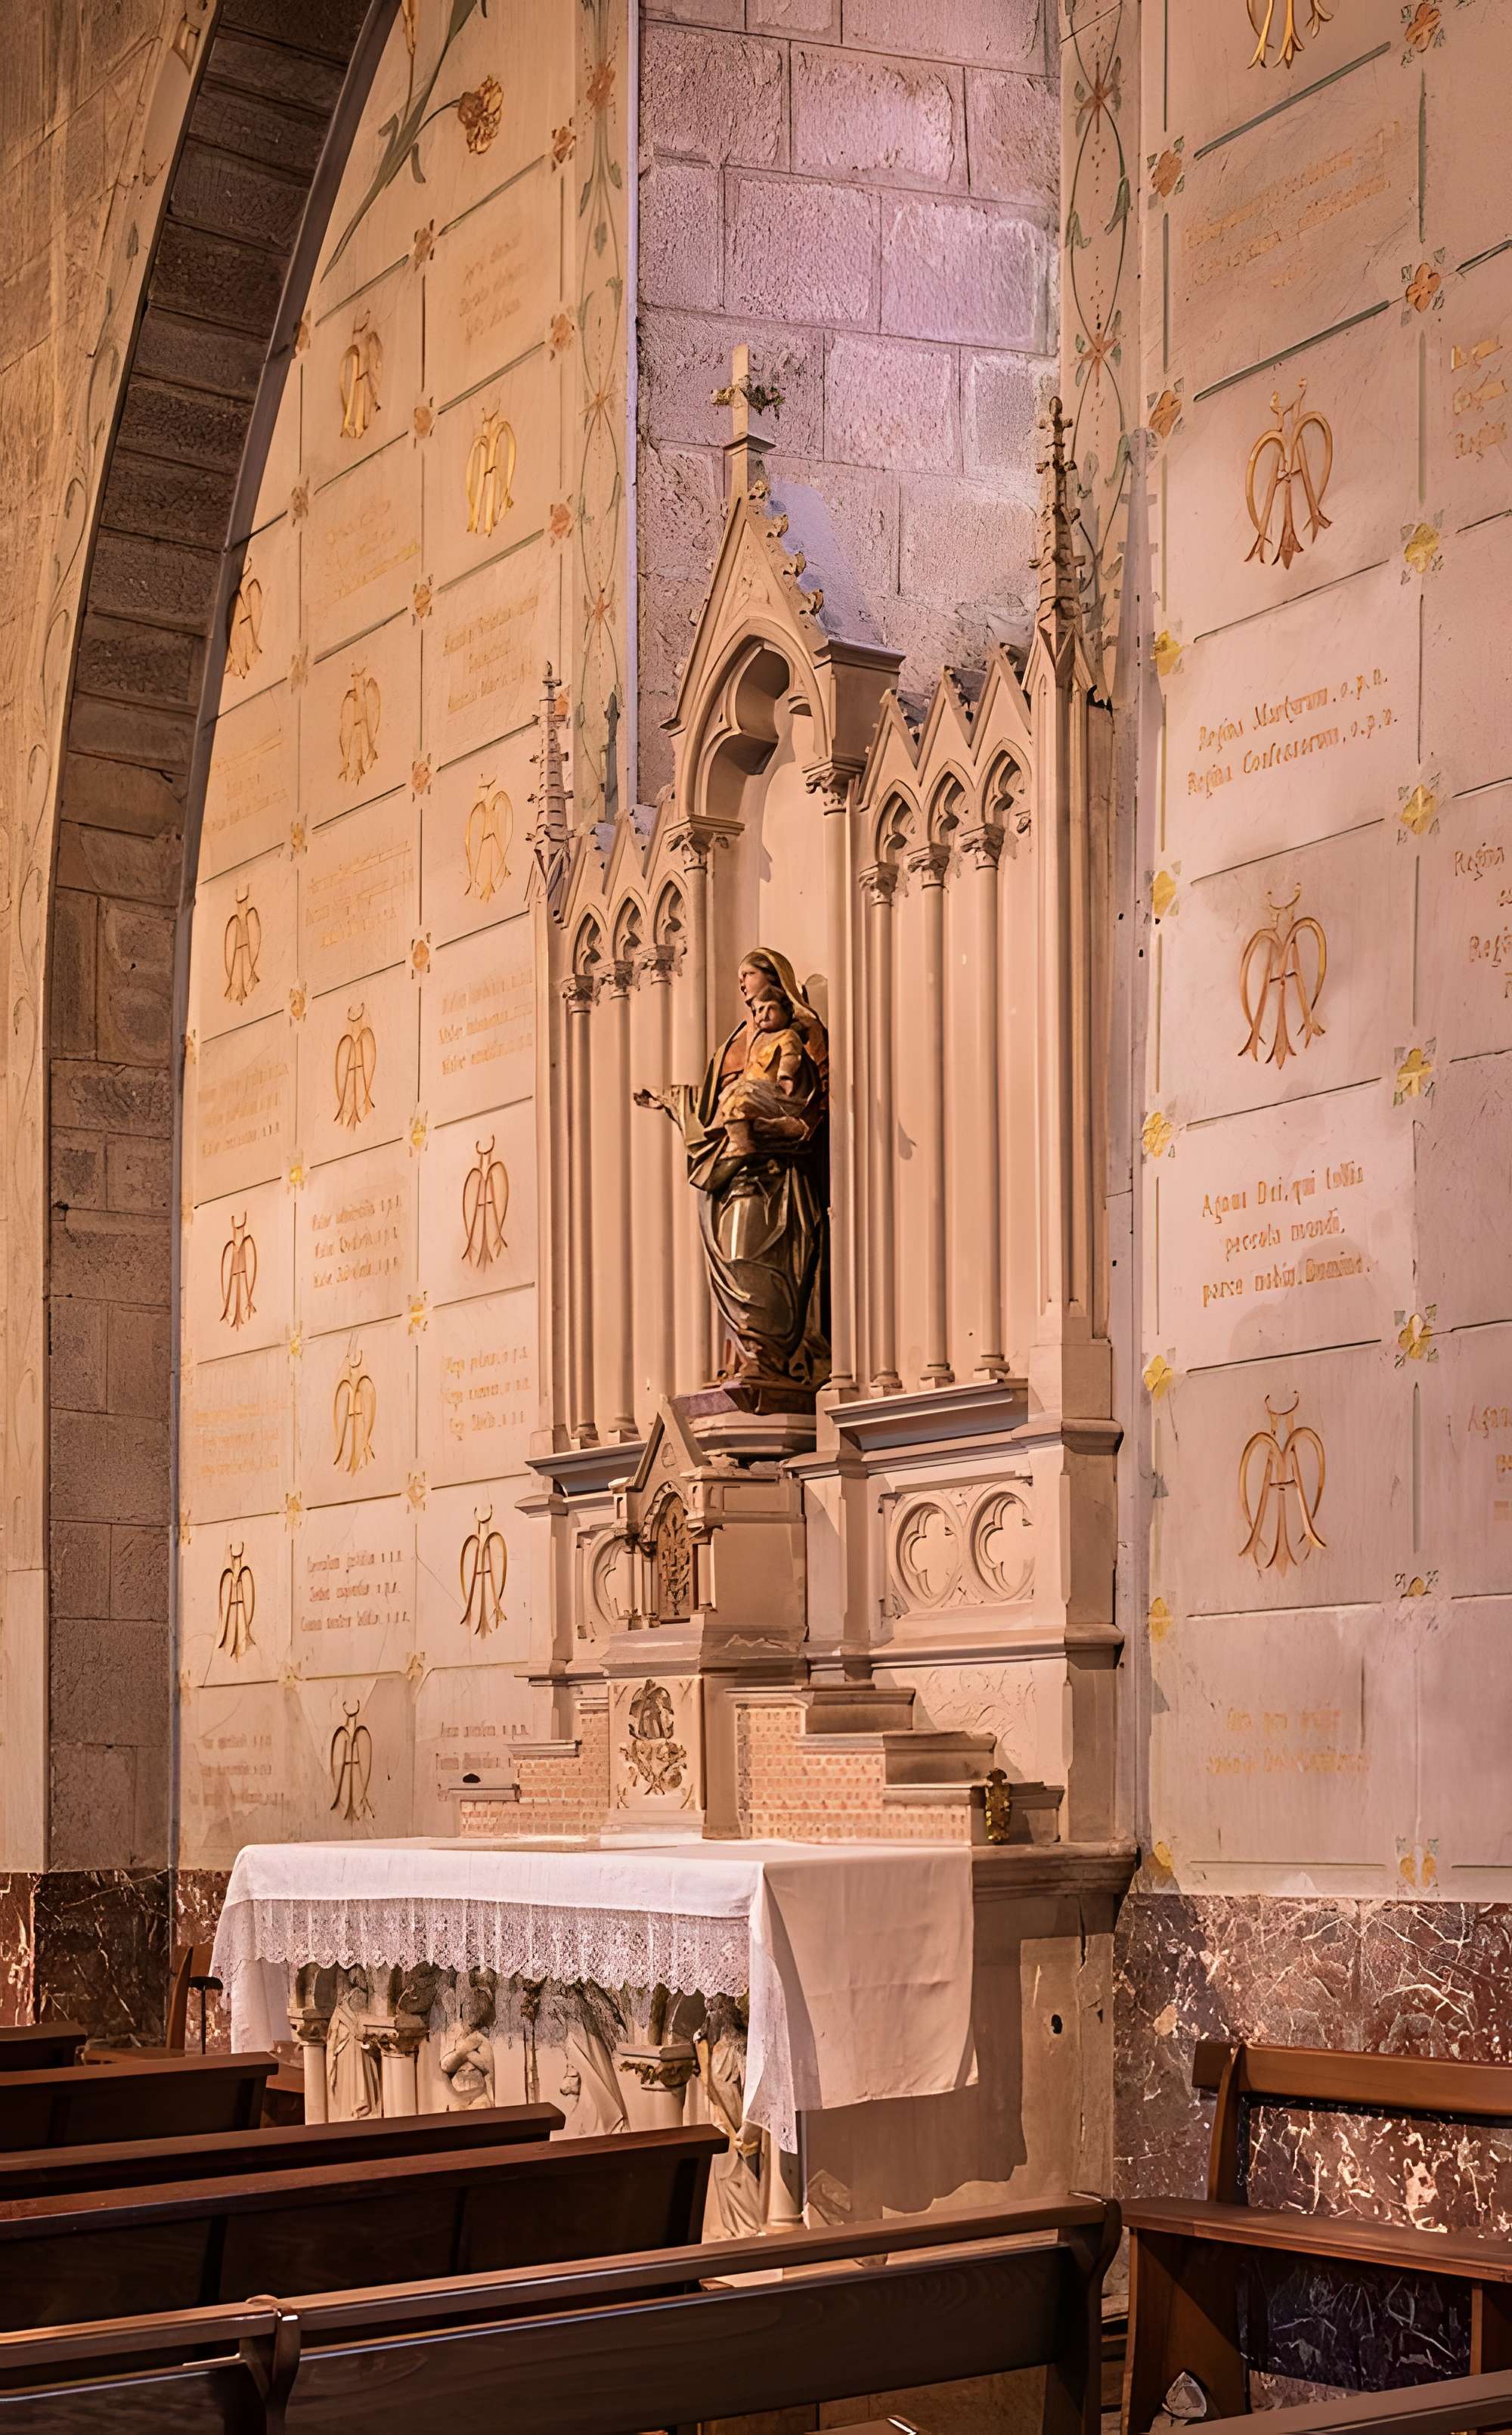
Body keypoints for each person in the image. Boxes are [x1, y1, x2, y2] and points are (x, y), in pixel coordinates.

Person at [637, 946, 829, 1397]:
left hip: (773, 1173)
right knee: (731, 1258)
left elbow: (809, 1102)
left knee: (752, 1252)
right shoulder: (734, 1042)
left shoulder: (800, 1033)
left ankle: (770, 1354)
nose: (742, 983)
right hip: (728, 1168)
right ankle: (746, 1353)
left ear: (773, 978)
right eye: (741, 977)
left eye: (749, 975)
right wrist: (670, 1098)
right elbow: (707, 1104)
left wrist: (772, 1125)